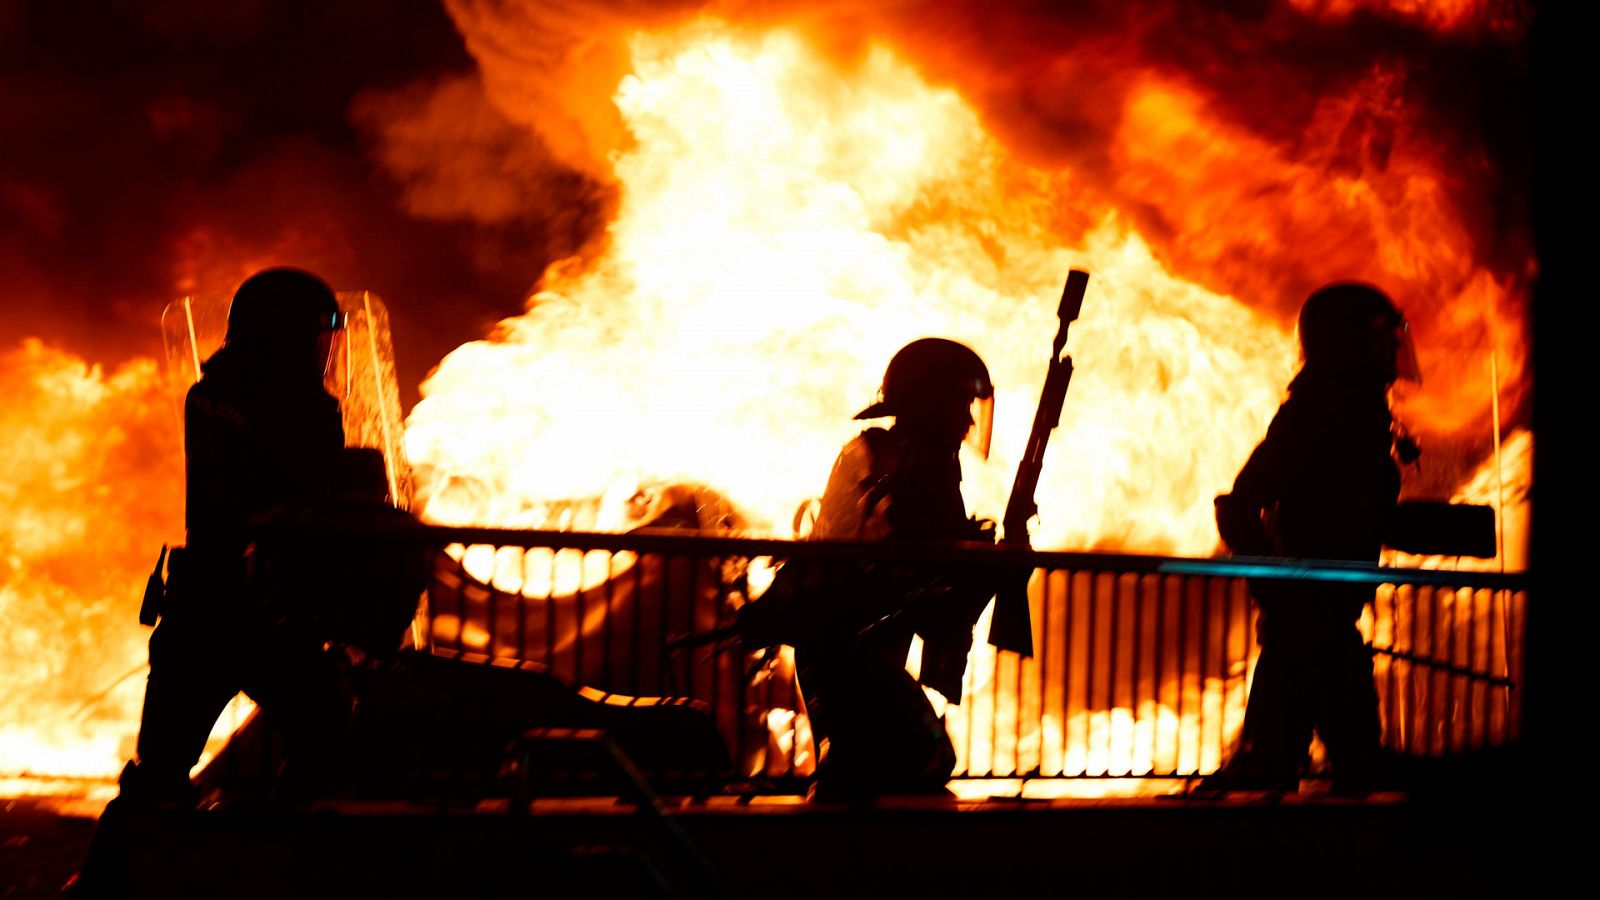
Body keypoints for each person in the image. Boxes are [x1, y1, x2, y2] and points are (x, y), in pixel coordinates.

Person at [70, 268, 351, 896]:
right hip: (265, 611)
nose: (325, 350)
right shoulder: (301, 407)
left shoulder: (213, 391)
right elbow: (311, 497)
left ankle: (110, 888)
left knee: (160, 772)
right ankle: (265, 862)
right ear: (291, 334)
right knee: (326, 737)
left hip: (203, 605)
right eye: (318, 335)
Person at [738, 338, 997, 799]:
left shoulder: (898, 455)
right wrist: (974, 555)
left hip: (849, 638)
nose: (969, 419)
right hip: (846, 642)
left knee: (883, 765)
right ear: (932, 404)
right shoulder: (906, 462)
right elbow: (907, 548)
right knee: (910, 761)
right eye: (960, 403)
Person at [1208, 282, 1419, 794]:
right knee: (1340, 761)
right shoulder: (1319, 413)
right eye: (1384, 341)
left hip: (1319, 614)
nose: (1394, 353)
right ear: (1350, 343)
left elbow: (1349, 508)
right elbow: (1240, 503)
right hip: (1314, 615)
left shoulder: (1356, 414)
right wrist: (1279, 584)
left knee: (1285, 761)